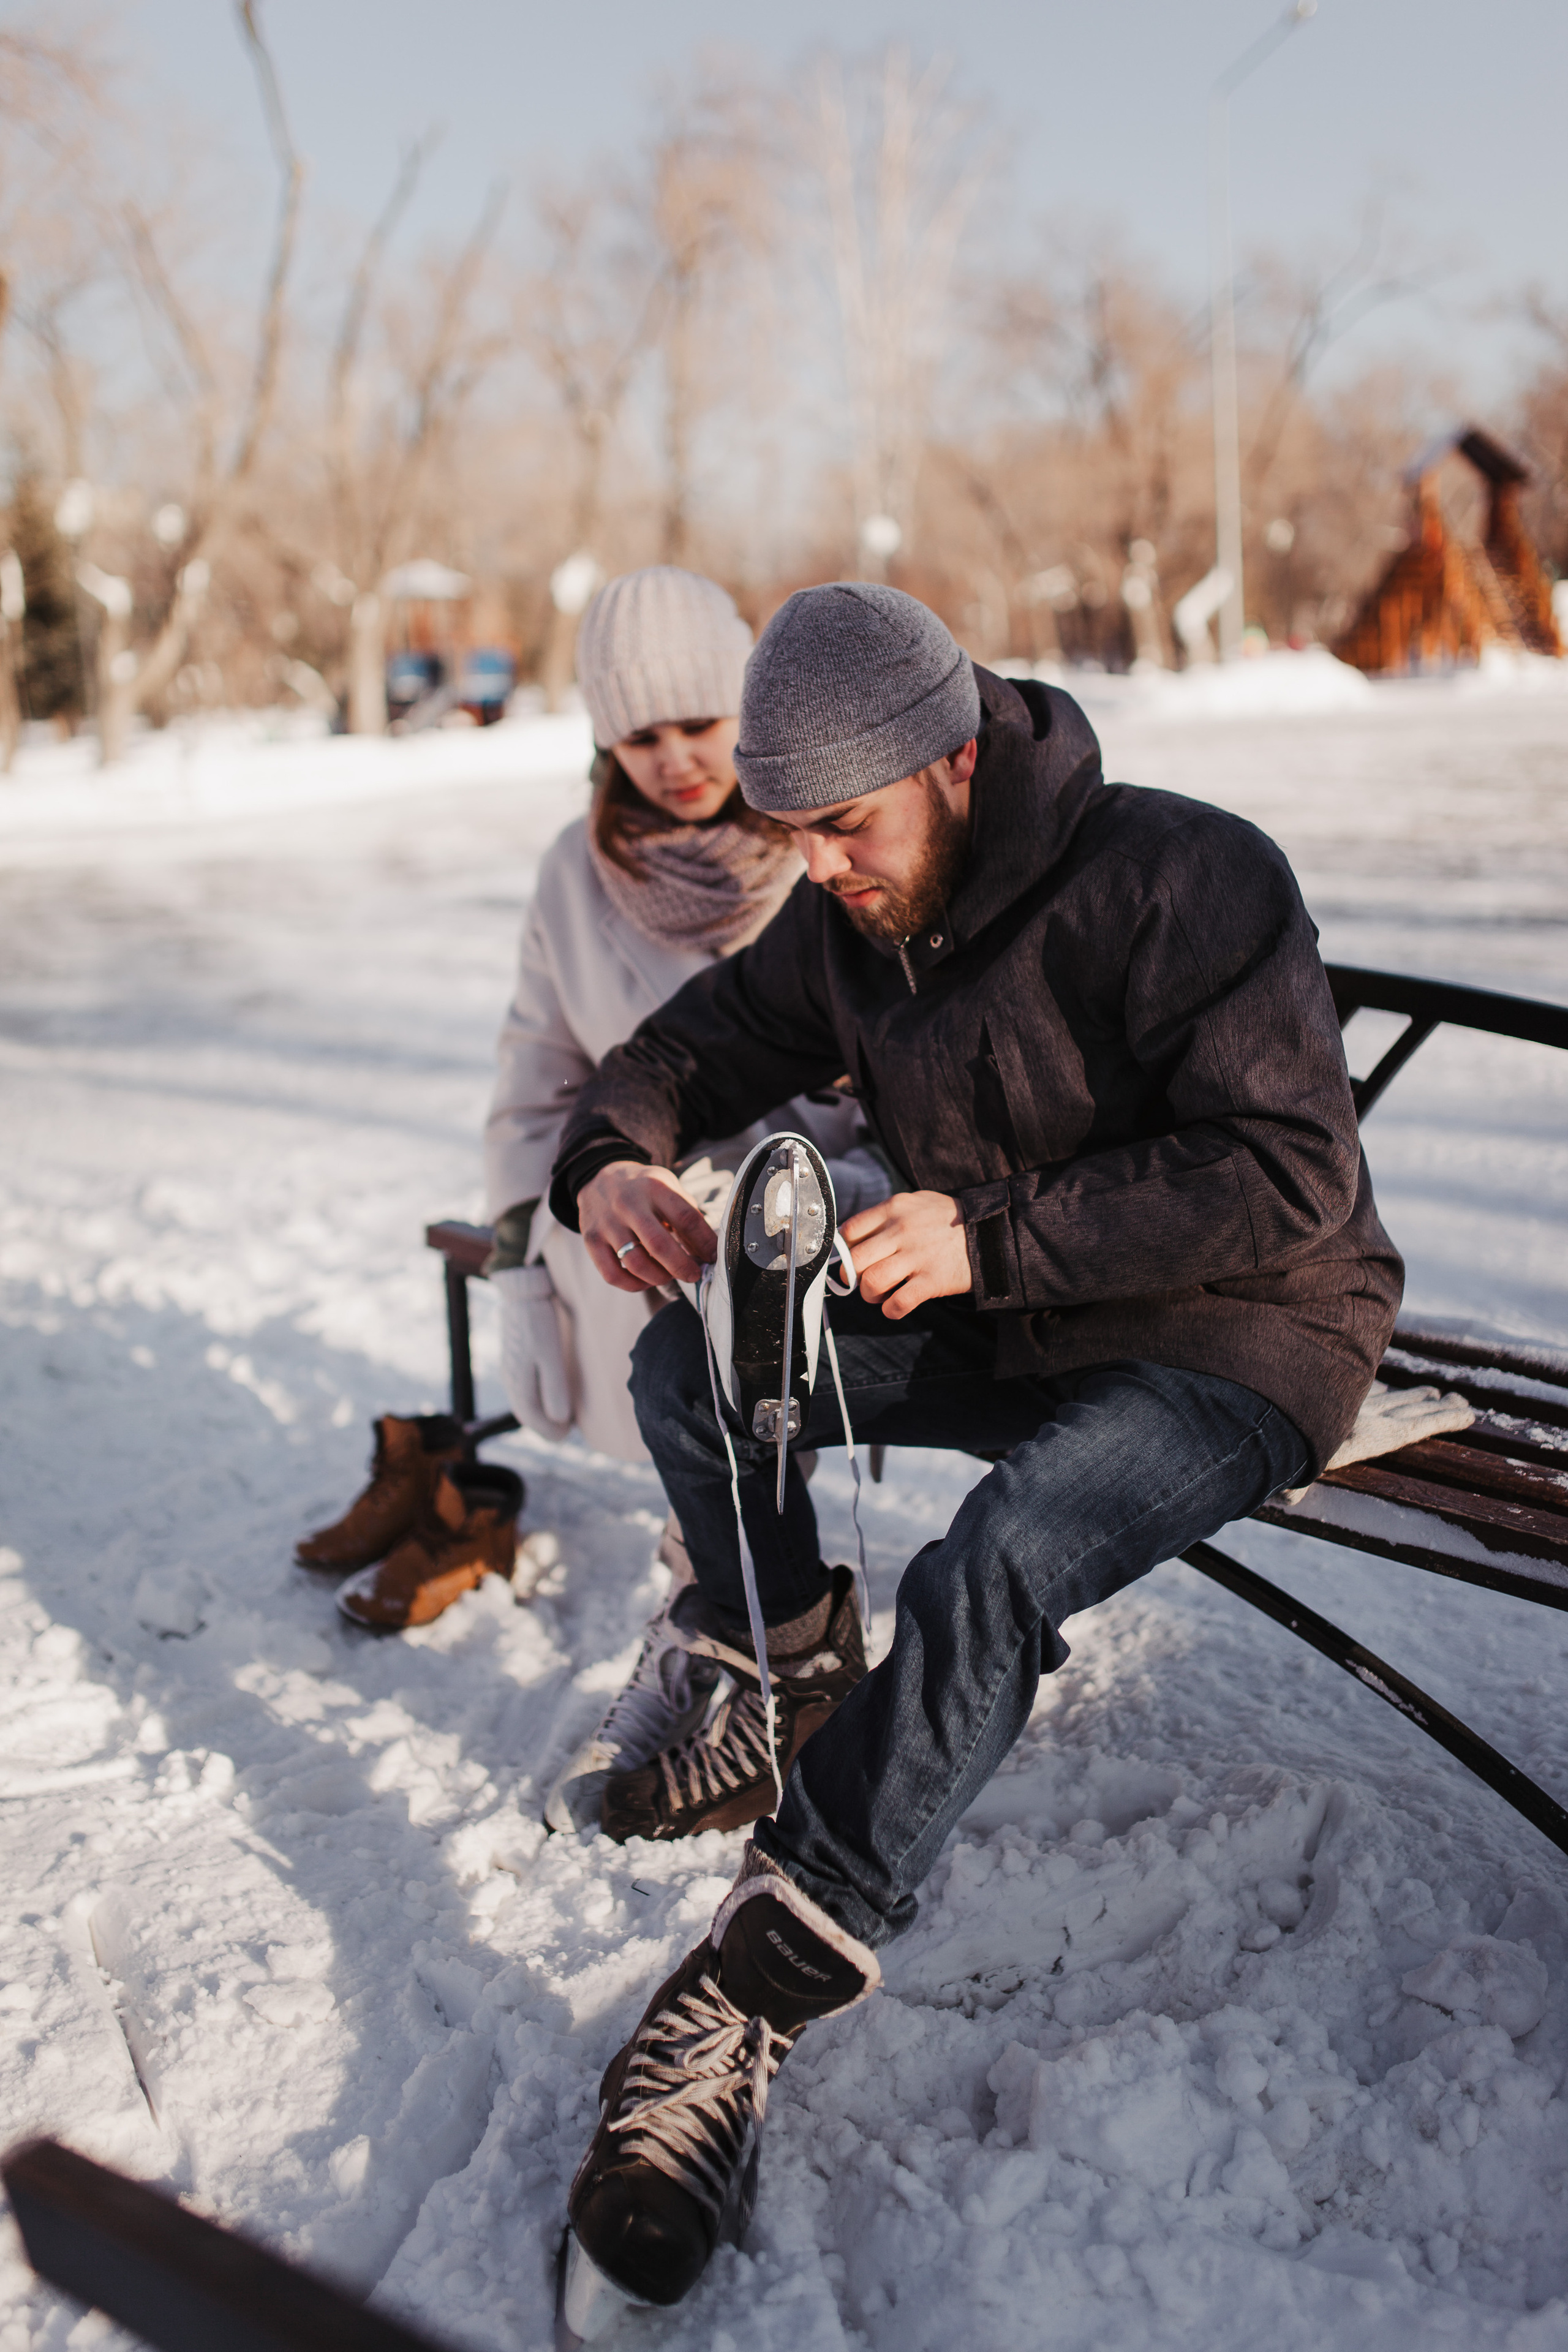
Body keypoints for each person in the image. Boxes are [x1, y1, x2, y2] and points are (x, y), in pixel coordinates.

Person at [545, 582, 1404, 2323]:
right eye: (795, 838)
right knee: (696, 1359)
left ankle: (752, 1986)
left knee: (997, 1559)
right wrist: (612, 1162)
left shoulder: (1188, 875)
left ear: (947, 763)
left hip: (1244, 1337)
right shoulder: (854, 921)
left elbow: (1290, 1176)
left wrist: (992, 1235)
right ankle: (785, 1685)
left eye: (844, 831)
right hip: (1024, 1318)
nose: (825, 873)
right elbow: (684, 1048)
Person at [479, 566, 885, 1820]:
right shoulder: (575, 871)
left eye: (701, 725)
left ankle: (743, 1642)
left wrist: (827, 1189)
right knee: (668, 1351)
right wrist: (517, 1271)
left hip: (824, 1225)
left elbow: (923, 1088)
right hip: (633, 1223)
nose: (675, 761)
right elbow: (537, 1081)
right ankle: (723, 1629)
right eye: (640, 735)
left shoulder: (835, 841)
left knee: (722, 1362)